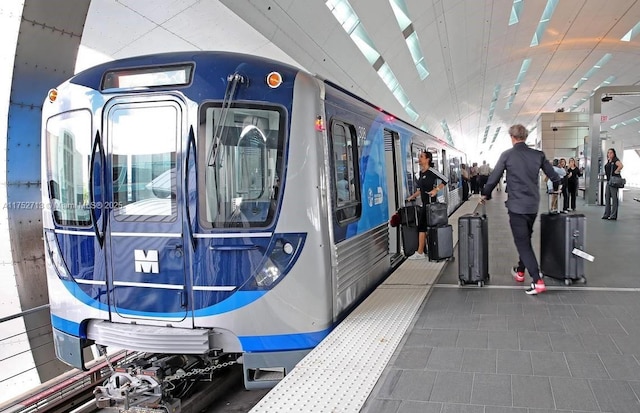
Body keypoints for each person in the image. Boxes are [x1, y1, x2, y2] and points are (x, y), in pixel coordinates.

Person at [481, 124, 560, 295]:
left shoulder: (507, 155)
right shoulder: (538, 155)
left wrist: (485, 194)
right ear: (525, 137)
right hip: (532, 205)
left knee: (522, 242)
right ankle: (520, 271)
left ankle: (537, 280)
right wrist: (558, 185)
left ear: (512, 137)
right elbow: (554, 176)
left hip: (517, 206)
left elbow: (494, 177)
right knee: (526, 238)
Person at [405, 151, 446, 260]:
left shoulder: (431, 171)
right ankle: (426, 249)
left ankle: (420, 252)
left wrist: (436, 189)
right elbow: (421, 190)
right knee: (425, 227)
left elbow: (445, 180)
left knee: (422, 227)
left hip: (430, 205)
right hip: (425, 204)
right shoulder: (422, 173)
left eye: (421, 157)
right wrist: (412, 196)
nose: (419, 159)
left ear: (427, 159)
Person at [603, 147, 624, 220]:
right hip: (609, 181)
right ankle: (606, 214)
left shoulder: (615, 160)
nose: (609, 154)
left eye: (611, 152)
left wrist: (616, 171)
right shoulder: (609, 161)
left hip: (614, 182)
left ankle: (613, 215)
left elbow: (621, 165)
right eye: (608, 153)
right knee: (607, 197)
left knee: (614, 198)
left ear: (614, 153)